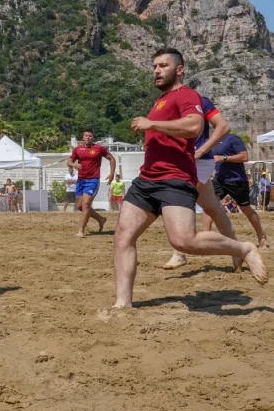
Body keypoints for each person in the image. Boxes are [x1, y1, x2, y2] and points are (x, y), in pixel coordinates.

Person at [112, 48, 266, 308]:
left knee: (184, 240)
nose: (156, 71)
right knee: (122, 236)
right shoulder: (161, 100)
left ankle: (244, 249)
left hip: (175, 178)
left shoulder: (187, 95)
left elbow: (195, 125)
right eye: (154, 67)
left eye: (162, 66)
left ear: (179, 69)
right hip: (147, 178)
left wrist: (152, 124)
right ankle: (122, 304)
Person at [162, 94, 238, 270]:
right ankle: (237, 249)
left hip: (199, 161)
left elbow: (223, 127)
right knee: (212, 207)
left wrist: (201, 150)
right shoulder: (166, 102)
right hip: (180, 160)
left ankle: (179, 253)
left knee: (177, 201)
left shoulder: (200, 101)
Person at [203, 133, 268, 249]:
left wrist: (224, 158)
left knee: (246, 209)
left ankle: (261, 236)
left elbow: (244, 157)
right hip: (220, 179)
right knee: (209, 205)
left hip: (237, 181)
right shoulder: (213, 140)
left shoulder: (232, 138)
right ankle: (204, 238)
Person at [67, 130, 116, 237]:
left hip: (93, 180)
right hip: (81, 181)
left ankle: (81, 231)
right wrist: (74, 165)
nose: (88, 137)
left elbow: (112, 159)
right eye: (86, 135)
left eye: (90, 136)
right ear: (83, 137)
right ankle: (101, 219)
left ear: (93, 138)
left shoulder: (99, 148)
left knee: (86, 204)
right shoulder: (78, 149)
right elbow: (69, 161)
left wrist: (112, 173)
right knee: (80, 206)